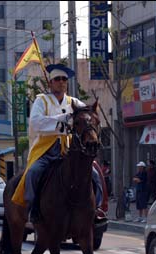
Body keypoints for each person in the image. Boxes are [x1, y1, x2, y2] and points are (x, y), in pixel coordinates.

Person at [11, 63, 104, 224]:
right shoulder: (42, 101)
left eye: (64, 79)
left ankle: (95, 208)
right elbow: (36, 123)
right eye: (57, 79)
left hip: (68, 149)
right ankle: (33, 208)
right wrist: (62, 120)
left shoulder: (74, 102)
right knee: (33, 172)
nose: (61, 82)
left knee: (95, 174)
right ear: (50, 82)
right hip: (46, 150)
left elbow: (87, 116)